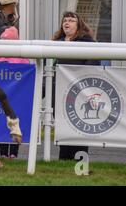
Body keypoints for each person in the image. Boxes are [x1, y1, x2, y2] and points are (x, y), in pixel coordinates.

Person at [52, 11, 101, 160]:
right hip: (59, 91)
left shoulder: (87, 42)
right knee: (62, 126)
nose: (67, 23)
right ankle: (64, 159)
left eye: (71, 20)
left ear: (79, 24)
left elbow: (94, 62)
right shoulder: (55, 43)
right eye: (65, 20)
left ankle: (80, 159)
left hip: (79, 92)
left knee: (78, 126)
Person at [0, 25, 29, 158]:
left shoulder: (22, 57)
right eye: (3, 41)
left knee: (14, 122)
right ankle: (2, 151)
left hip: (15, 97)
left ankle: (13, 153)